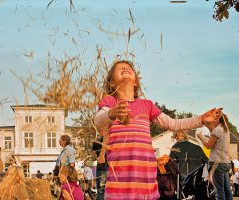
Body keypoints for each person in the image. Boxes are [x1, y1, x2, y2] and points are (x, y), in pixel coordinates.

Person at [94, 60, 223, 200]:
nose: (125, 68)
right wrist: (111, 113)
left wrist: (201, 119)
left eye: (129, 68)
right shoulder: (111, 102)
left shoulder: (146, 105)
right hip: (119, 182)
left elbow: (173, 124)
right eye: (120, 69)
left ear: (136, 81)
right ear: (112, 83)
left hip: (146, 182)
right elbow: (98, 120)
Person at [197, 114, 233, 200]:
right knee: (227, 190)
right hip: (226, 162)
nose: (212, 121)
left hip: (217, 163)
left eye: (214, 119)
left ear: (217, 120)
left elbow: (208, 146)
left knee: (219, 191)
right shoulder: (226, 130)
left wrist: (201, 138)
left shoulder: (216, 130)